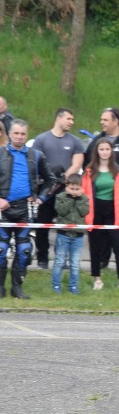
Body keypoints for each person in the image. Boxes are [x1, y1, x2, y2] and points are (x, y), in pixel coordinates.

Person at [0, 119, 51, 299]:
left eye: (23, 134)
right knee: (1, 249)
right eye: (16, 133)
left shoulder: (36, 155)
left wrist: (40, 198)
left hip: (25, 209)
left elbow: (51, 181)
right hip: (3, 210)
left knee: (24, 251)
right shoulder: (0, 153)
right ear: (10, 134)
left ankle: (17, 287)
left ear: (26, 135)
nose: (19, 137)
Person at [31, 108, 86, 269]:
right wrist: (50, 178)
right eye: (69, 118)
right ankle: (42, 258)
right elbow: (36, 162)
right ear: (59, 118)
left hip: (65, 190)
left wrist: (65, 176)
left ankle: (63, 259)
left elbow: (77, 163)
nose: (71, 122)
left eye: (72, 119)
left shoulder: (75, 141)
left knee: (66, 226)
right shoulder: (41, 140)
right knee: (43, 224)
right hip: (46, 191)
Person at [81, 138, 119, 291]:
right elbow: (84, 193)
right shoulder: (89, 171)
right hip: (95, 211)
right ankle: (97, 279)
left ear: (111, 151)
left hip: (113, 212)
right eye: (101, 149)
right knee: (95, 246)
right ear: (97, 152)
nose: (104, 152)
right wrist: (87, 213)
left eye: (107, 149)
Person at [51, 173, 89, 294]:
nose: (74, 191)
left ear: (81, 188)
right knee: (59, 261)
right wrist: (70, 198)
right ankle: (56, 285)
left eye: (77, 189)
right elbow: (61, 211)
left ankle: (73, 286)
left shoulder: (84, 198)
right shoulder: (60, 196)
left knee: (75, 263)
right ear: (66, 186)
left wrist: (78, 199)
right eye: (72, 189)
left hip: (78, 236)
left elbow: (84, 212)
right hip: (63, 234)